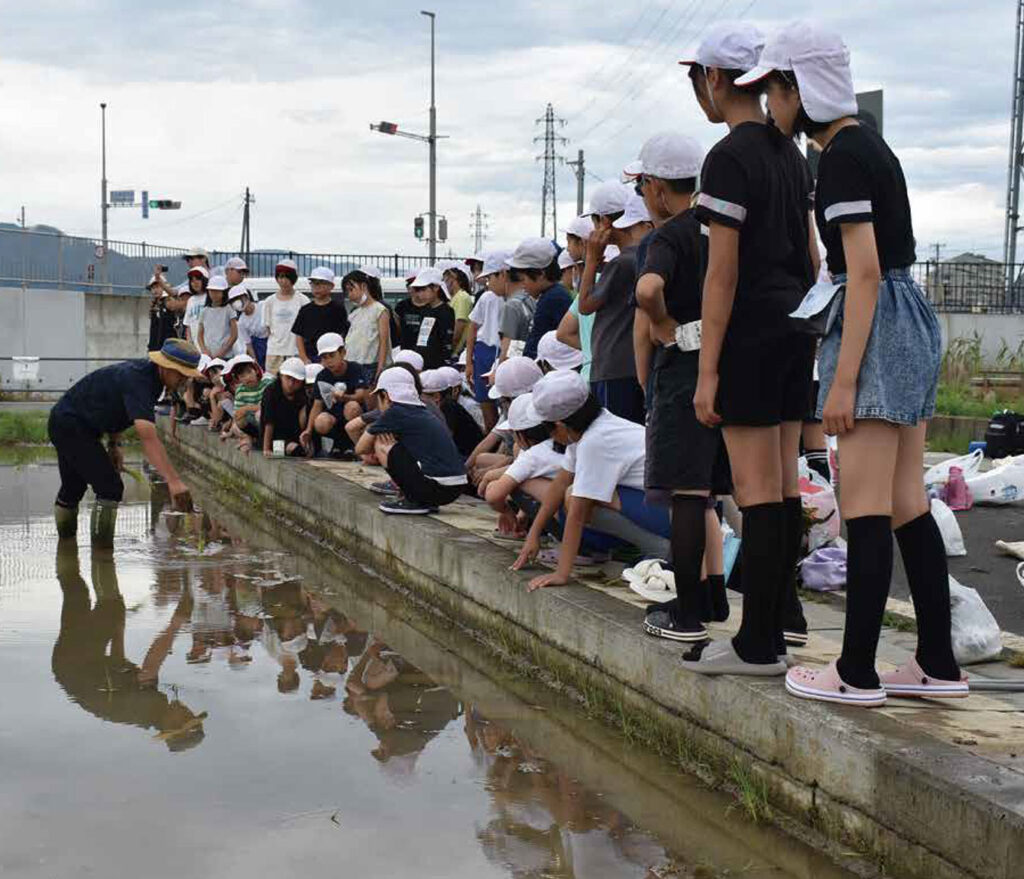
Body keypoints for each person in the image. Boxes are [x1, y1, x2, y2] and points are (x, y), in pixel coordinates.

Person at [739, 21, 966, 704]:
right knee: (904, 503)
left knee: (865, 506)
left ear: (799, 89)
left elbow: (860, 271)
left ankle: (857, 671)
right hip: (907, 316)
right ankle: (935, 661)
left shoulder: (837, 157)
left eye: (775, 91)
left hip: (876, 323)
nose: (772, 106)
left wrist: (840, 381)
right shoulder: (871, 145)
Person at [678, 21, 819, 676]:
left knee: (758, 492)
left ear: (713, 79)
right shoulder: (789, 151)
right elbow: (814, 257)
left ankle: (756, 644)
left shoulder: (728, 157)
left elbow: (722, 272)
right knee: (784, 487)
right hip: (796, 329)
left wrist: (707, 370)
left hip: (752, 335)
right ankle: (774, 629)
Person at [633, 131, 733, 642]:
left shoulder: (668, 236)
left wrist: (662, 321)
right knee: (712, 491)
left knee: (688, 494)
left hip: (685, 368)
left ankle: (687, 612)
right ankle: (715, 599)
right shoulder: (720, 227)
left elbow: (647, 288)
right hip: (727, 364)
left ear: (654, 187)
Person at [511, 370, 671, 590]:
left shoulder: (594, 440)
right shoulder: (590, 426)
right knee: (570, 491)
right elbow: (560, 482)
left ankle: (661, 549)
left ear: (559, 425)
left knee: (575, 496)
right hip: (662, 504)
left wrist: (561, 573)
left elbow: (577, 510)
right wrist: (534, 533)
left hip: (672, 514)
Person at [48, 338, 200, 545]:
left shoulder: (150, 379)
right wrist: (174, 481)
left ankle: (66, 548)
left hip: (71, 423)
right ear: (165, 366)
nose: (184, 380)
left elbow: (116, 410)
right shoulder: (140, 380)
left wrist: (114, 445)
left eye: (187, 376)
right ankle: (102, 555)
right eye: (181, 374)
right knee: (109, 488)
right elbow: (148, 437)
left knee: (73, 488)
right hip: (71, 425)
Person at [578, 183, 650, 425]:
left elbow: (585, 304)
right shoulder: (644, 255)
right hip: (635, 365)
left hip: (613, 366)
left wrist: (591, 259)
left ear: (605, 222)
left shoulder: (622, 263)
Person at [355, 367, 468, 515]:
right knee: (397, 444)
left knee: (382, 444)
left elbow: (360, 448)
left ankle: (413, 499)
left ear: (385, 395)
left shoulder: (395, 411)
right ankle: (422, 499)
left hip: (437, 487)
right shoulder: (421, 408)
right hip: (454, 488)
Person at [301, 332, 370, 457]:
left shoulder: (356, 369)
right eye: (324, 358)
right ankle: (338, 443)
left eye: (332, 356)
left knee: (352, 407)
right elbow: (317, 405)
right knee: (321, 421)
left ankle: (352, 443)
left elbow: (361, 395)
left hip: (354, 417)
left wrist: (345, 398)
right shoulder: (322, 375)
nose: (328, 361)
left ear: (343, 353)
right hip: (334, 418)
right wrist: (309, 430)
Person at [465, 250, 511, 433]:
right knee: (485, 402)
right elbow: (473, 328)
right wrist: (469, 361)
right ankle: (491, 440)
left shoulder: (517, 299)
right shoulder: (486, 297)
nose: (487, 283)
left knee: (505, 401)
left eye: (490, 277)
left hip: (504, 352)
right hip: (484, 351)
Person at [508, 239, 571, 360]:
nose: (523, 286)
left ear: (541, 273)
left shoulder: (553, 299)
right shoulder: (550, 295)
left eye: (523, 279)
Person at [557, 216, 597, 384]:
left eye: (569, 243)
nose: (567, 249)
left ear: (582, 243)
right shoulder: (606, 277)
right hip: (608, 371)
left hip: (588, 372)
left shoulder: (590, 284)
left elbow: (563, 332)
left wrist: (590, 351)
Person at [394, 267, 455, 369]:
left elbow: (447, 341)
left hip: (436, 365)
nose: (420, 294)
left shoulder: (446, 311)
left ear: (436, 288)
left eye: (423, 289)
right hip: (420, 362)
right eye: (418, 290)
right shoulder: (425, 309)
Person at [342, 267, 391, 383]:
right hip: (352, 362)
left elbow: (384, 341)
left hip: (370, 364)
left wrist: (381, 366)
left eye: (351, 289)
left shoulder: (379, 310)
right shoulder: (355, 313)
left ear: (363, 286)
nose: (349, 294)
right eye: (347, 291)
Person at [293, 266, 350, 363]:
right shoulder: (305, 310)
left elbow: (342, 335)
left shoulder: (338, 309)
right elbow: (299, 336)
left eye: (321, 283)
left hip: (331, 357)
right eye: (313, 284)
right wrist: (304, 358)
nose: (316, 287)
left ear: (331, 286)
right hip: (310, 357)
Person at [263, 258, 310, 374]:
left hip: (295, 351)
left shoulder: (303, 300)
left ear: (293, 278)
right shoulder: (269, 301)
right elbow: (268, 328)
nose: (283, 281)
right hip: (274, 352)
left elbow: (306, 329)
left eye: (286, 277)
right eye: (280, 277)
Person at [260, 357, 309, 457]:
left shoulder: (304, 394)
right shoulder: (271, 392)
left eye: (296, 381)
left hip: (296, 433)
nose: (291, 384)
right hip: (276, 436)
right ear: (281, 376)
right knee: (293, 449)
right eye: (288, 378)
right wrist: (266, 448)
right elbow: (269, 421)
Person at [197, 275, 238, 360]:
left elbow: (234, 335)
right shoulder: (204, 311)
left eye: (217, 291)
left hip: (226, 355)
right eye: (212, 291)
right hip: (209, 355)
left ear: (224, 292)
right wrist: (204, 351)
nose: (214, 294)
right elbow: (200, 335)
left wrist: (223, 351)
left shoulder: (229, 309)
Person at [443, 262, 475, 356]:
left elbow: (459, 326)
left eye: (447, 280)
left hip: (456, 353)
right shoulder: (454, 299)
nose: (446, 284)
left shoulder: (462, 297)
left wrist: (450, 348)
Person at [228, 283, 266, 362]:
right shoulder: (241, 322)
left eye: (238, 298)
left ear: (247, 297)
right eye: (233, 301)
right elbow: (248, 343)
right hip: (259, 348)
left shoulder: (263, 306)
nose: (236, 303)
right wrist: (254, 360)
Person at [181, 265, 210, 345]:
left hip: (210, 345)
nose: (195, 282)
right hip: (196, 347)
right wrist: (190, 343)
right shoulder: (191, 300)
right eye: (192, 280)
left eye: (198, 279)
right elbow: (188, 325)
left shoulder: (210, 297)